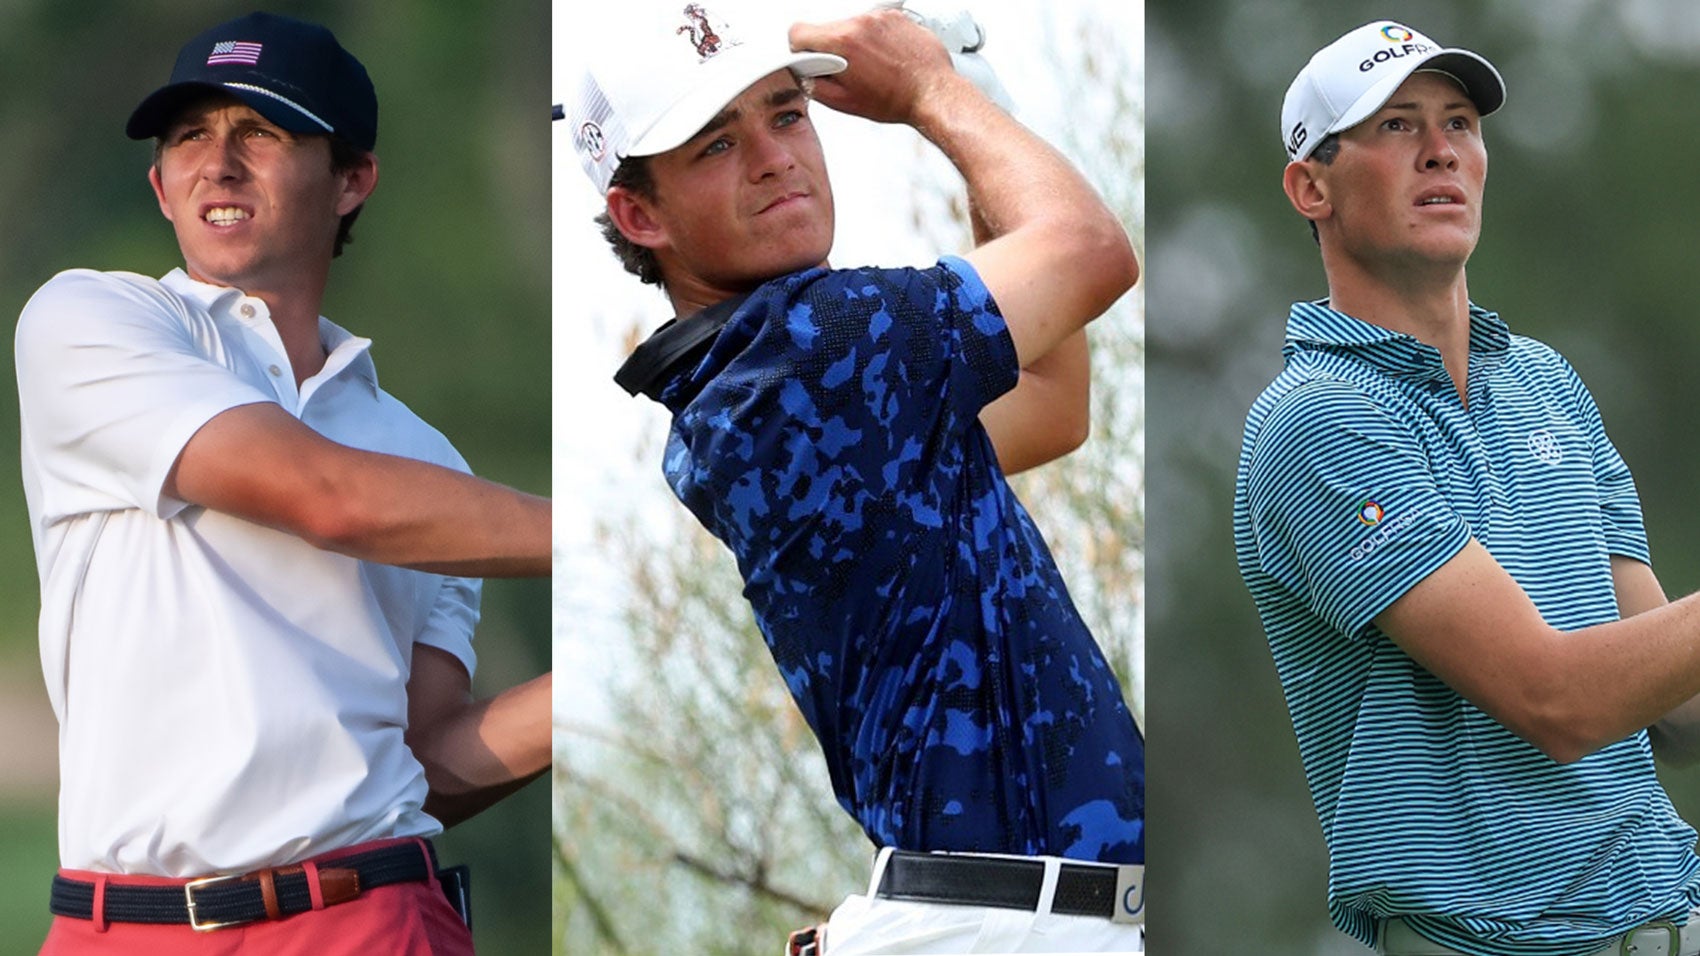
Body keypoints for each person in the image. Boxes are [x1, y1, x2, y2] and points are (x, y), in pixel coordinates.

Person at [560, 4, 1143, 953]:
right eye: (716, 144)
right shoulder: (819, 345)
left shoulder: (775, 380)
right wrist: (934, 92)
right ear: (640, 214)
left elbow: (1051, 403)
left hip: (998, 919)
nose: (774, 158)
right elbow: (1092, 250)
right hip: (1004, 924)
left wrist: (975, 104)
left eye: (787, 114)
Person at [17, 12, 551, 953]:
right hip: (121, 928)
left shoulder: (428, 464)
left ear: (351, 180)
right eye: (190, 136)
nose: (217, 164)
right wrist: (616, 531)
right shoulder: (85, 320)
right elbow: (327, 498)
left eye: (260, 130)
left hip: (370, 919)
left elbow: (421, 760)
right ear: (160, 185)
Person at [1236, 18, 1700, 956]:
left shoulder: (1543, 381)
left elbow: (1674, 703)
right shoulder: (1316, 420)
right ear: (1311, 186)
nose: (1442, 150)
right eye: (1397, 125)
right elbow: (1556, 700)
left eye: (1458, 122)